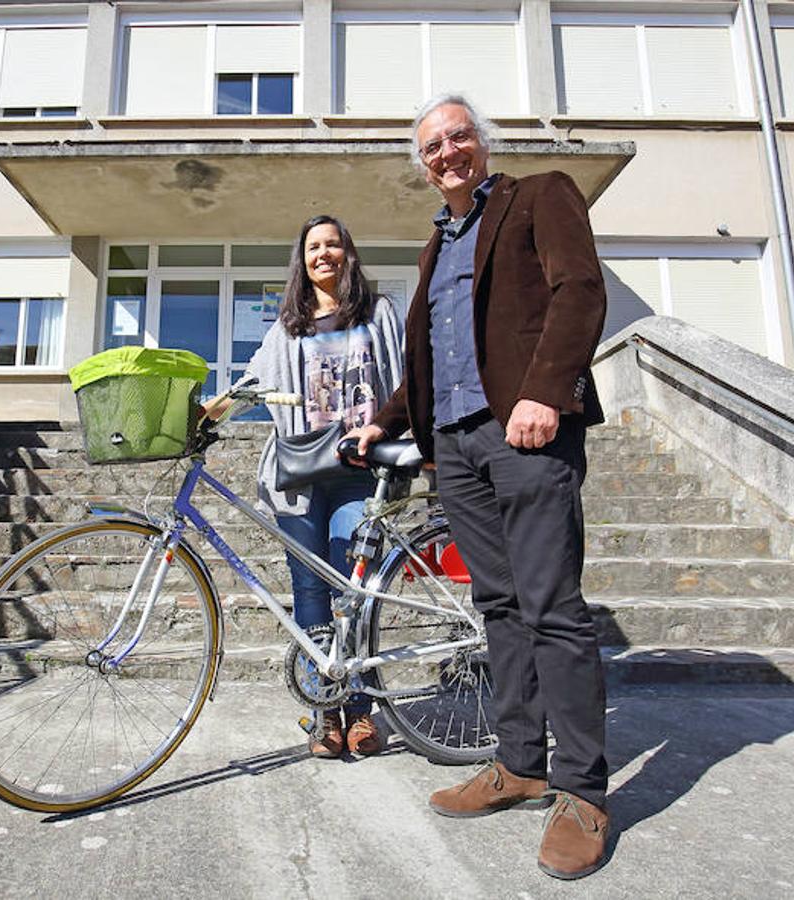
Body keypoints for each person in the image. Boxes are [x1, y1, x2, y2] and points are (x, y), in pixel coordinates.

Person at [345, 94, 611, 879]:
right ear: (423, 165)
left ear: (482, 144)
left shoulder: (540, 195)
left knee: (551, 608)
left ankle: (582, 792)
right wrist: (388, 420)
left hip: (524, 430)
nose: (446, 153)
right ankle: (520, 763)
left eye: (458, 137)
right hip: (454, 445)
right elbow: (435, 351)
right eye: (431, 146)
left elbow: (579, 292)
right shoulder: (437, 243)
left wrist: (545, 389)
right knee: (496, 607)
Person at [220, 215, 405, 758]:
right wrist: (210, 409)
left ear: (348, 253)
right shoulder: (288, 327)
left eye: (332, 244)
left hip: (361, 472)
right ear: (302, 262)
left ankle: (363, 710)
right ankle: (325, 711)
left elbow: (404, 375)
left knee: (355, 589)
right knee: (309, 592)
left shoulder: (379, 313)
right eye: (313, 248)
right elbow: (253, 380)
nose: (323, 254)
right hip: (303, 477)